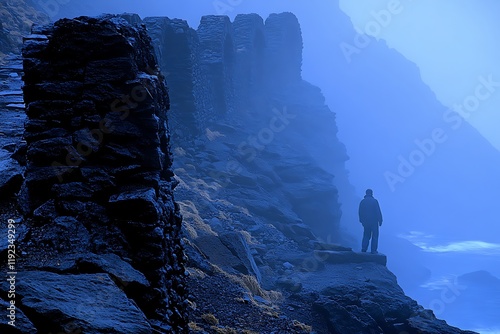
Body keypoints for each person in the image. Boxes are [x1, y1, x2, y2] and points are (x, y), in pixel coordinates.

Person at [358, 189, 383, 254]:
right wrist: (380, 220)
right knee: (375, 236)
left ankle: (364, 249)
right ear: (372, 193)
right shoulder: (374, 201)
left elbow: (360, 212)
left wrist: (361, 220)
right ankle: (373, 250)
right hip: (374, 221)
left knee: (366, 235)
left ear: (366, 193)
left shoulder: (362, 201)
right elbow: (378, 211)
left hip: (366, 222)